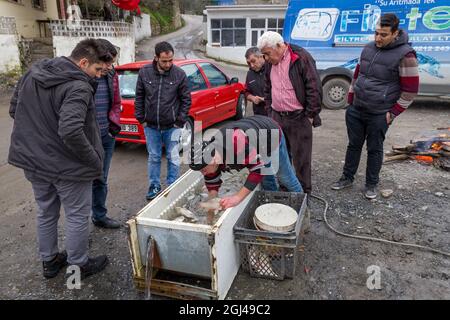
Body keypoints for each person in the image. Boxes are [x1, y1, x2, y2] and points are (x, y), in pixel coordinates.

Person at [8, 39, 113, 279]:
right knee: (77, 215)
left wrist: (42, 139)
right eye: (97, 70)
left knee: (46, 211)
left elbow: (15, 110)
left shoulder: (34, 72)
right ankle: (78, 265)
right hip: (68, 166)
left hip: (35, 162)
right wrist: (94, 160)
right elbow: (70, 130)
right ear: (83, 62)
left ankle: (50, 260)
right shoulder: (79, 85)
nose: (98, 76)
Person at [331, 13, 419, 199]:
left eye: (384, 34)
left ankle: (371, 184)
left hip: (380, 113)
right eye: (376, 33)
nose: (378, 38)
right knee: (353, 145)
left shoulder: (406, 55)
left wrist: (393, 113)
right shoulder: (369, 48)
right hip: (357, 109)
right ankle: (347, 178)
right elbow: (358, 74)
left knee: (374, 148)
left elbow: (411, 90)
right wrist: (351, 99)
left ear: (395, 33)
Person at [257, 31, 323, 196]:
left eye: (267, 54)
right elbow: (267, 88)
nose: (265, 59)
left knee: (301, 161)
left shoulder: (300, 57)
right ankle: (286, 191)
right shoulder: (269, 64)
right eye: (263, 55)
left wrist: (309, 115)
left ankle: (303, 195)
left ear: (279, 46)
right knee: (281, 158)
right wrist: (270, 110)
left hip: (299, 117)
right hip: (277, 117)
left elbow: (314, 87)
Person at [189, 115, 303, 209]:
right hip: (252, 140)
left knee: (285, 177)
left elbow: (259, 169)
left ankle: (303, 209)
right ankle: (271, 207)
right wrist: (211, 204)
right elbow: (211, 180)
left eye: (203, 169)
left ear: (213, 160)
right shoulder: (210, 158)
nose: (202, 173)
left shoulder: (235, 142)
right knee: (267, 180)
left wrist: (237, 198)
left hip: (270, 135)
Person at [134, 41, 191, 200]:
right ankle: (154, 186)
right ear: (156, 58)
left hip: (172, 126)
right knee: (154, 156)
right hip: (151, 126)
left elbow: (186, 100)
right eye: (164, 61)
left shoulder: (179, 74)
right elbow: (139, 96)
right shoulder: (144, 72)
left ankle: (173, 185)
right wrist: (141, 118)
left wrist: (179, 121)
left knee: (173, 156)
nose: (168, 64)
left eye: (171, 60)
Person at [91, 39, 121, 229]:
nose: (110, 67)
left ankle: (99, 216)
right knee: (84, 181)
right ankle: (78, 223)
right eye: (108, 63)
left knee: (101, 179)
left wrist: (113, 126)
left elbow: (116, 102)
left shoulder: (111, 75)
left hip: (106, 136)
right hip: (86, 138)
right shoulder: (84, 76)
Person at [244, 47, 268, 116]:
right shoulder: (250, 74)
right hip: (258, 115)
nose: (251, 65)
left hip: (273, 114)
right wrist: (252, 98)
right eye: (248, 63)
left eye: (253, 61)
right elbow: (246, 92)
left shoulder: (271, 69)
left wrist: (265, 99)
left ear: (261, 57)